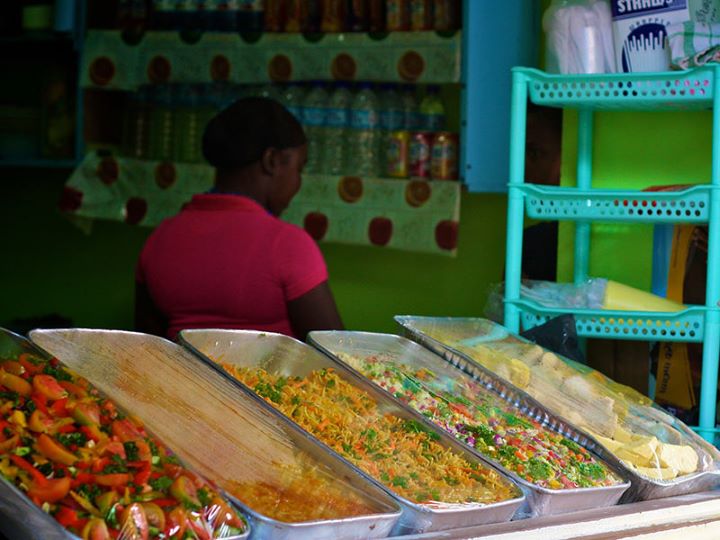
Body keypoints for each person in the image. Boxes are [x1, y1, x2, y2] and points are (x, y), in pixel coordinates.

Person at [135, 97, 343, 340]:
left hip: (178, 378)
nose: (298, 182)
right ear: (272, 161)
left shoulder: (161, 237)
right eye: (299, 168)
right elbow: (335, 353)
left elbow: (147, 346)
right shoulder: (288, 245)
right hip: (266, 378)